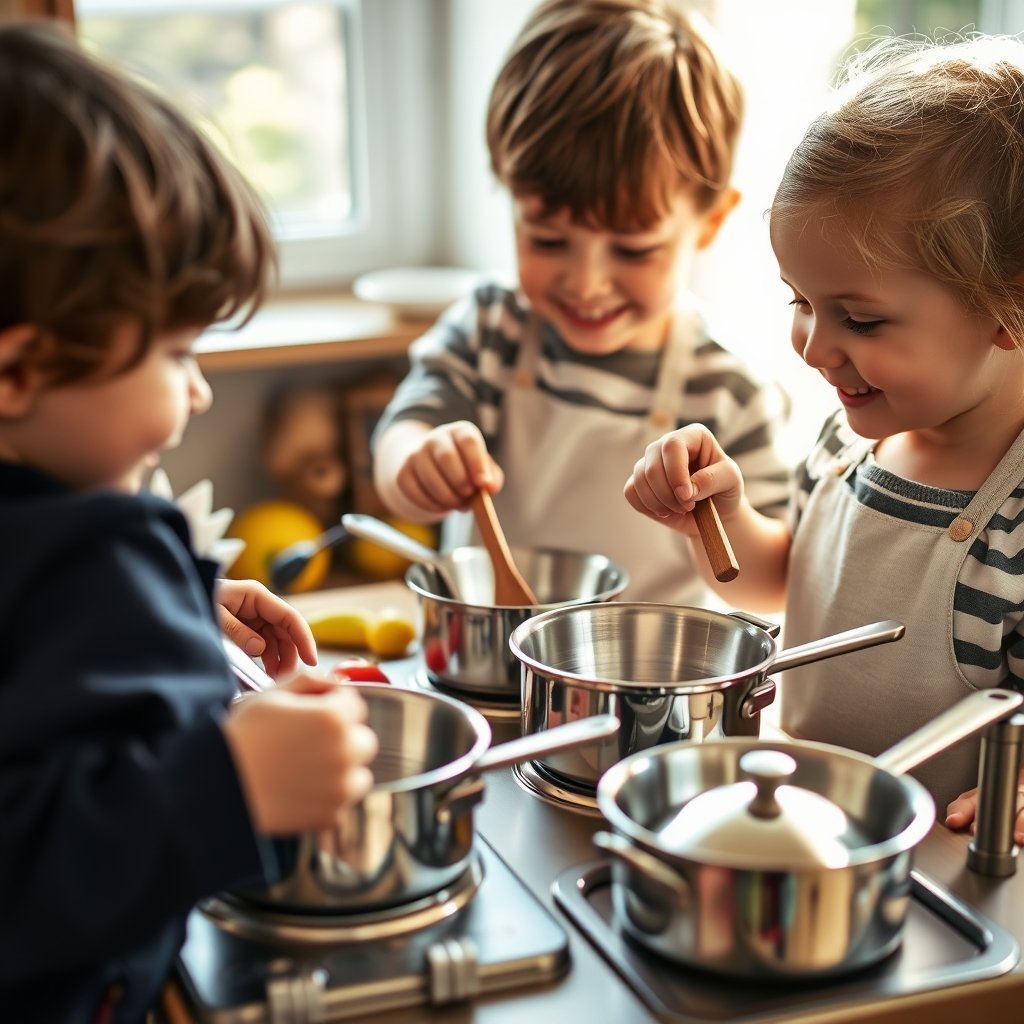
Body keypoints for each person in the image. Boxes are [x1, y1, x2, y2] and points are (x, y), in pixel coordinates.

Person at [0, 21, 378, 1023]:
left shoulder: (60, 550)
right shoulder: (88, 551)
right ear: (17, 369)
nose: (199, 394)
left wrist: (176, 607)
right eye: (175, 354)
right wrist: (231, 782)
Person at [624, 34, 1024, 834]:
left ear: (1007, 309)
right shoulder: (850, 446)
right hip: (806, 834)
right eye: (798, 301)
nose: (812, 344)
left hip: (950, 876)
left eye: (861, 318)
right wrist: (718, 518)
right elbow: (784, 584)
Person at [371, 0, 791, 606]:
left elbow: (773, 586)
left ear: (710, 220)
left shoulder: (726, 389)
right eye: (546, 239)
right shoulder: (492, 329)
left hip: (643, 694)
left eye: (632, 249)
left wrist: (722, 520)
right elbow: (401, 438)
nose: (587, 282)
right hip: (491, 675)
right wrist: (416, 462)